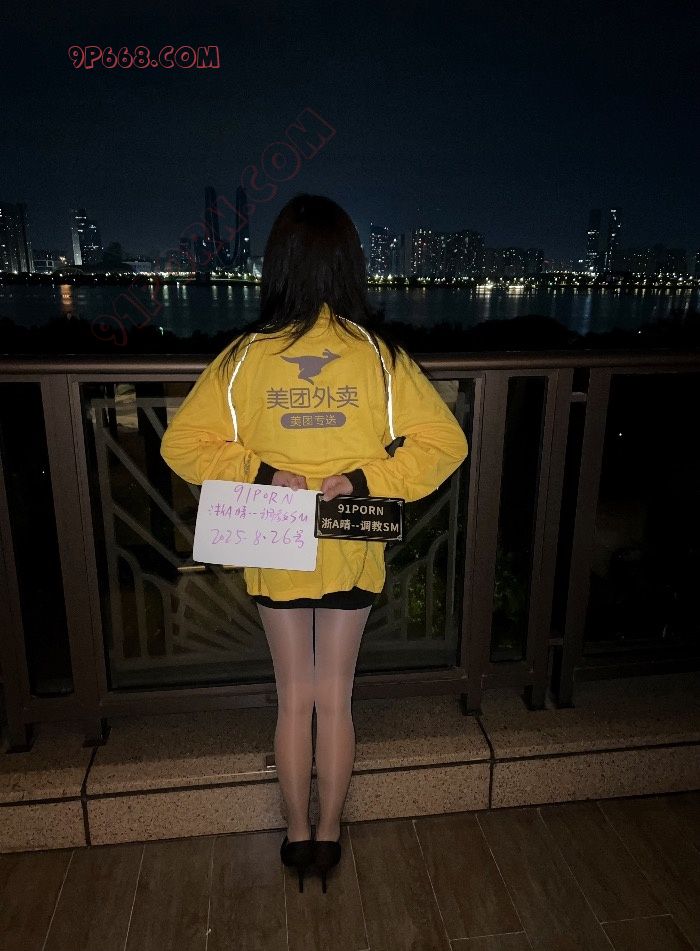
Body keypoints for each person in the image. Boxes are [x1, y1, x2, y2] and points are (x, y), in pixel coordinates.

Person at [159, 193, 469, 893]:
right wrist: (362, 479)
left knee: (293, 693)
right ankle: (330, 833)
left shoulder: (244, 358)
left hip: (275, 542)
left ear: (278, 264)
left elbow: (183, 443)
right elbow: (444, 442)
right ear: (349, 265)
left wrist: (262, 472)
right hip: (352, 541)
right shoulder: (379, 357)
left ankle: (295, 833)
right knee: (336, 693)